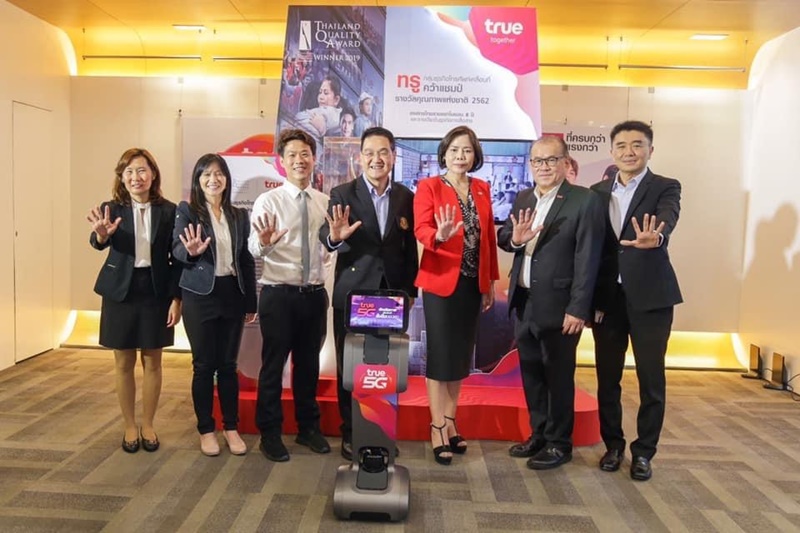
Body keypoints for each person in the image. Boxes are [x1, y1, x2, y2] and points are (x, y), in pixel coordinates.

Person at [498, 136, 605, 470]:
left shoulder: (583, 200)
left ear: (565, 163)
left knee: (558, 377)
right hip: (524, 301)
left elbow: (588, 258)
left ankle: (560, 444)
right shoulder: (524, 197)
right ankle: (539, 434)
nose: (543, 167)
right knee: (531, 374)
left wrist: (578, 308)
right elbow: (506, 237)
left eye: (550, 160)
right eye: (537, 161)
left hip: (561, 306)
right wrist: (516, 240)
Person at [319, 126, 419, 460]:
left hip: (391, 299)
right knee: (351, 367)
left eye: (383, 152)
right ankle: (351, 433)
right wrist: (335, 237)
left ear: (393, 156)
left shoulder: (405, 196)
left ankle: (382, 432)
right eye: (370, 153)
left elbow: (408, 250)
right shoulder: (342, 193)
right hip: (354, 296)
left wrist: (410, 292)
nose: (377, 159)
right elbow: (327, 235)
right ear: (360, 158)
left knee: (386, 367)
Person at [590, 120, 682, 481]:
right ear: (612, 151)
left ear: (650, 150)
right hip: (608, 299)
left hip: (651, 298)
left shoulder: (665, 186)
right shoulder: (597, 192)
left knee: (650, 377)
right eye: (622, 145)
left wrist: (657, 237)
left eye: (637, 145)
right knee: (607, 377)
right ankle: (613, 445)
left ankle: (644, 452)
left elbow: (668, 217)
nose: (629, 152)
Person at [413, 125, 499, 465]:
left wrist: (489, 281)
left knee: (461, 357)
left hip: (472, 284)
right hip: (440, 283)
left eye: (467, 150)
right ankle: (436, 426)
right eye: (454, 150)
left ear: (475, 155)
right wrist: (439, 235)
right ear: (444, 154)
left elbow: (488, 238)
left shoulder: (481, 188)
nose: (461, 156)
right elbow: (421, 228)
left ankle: (450, 421)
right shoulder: (429, 186)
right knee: (440, 356)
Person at [87, 148, 181, 454]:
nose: (135, 177)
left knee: (153, 361)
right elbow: (98, 242)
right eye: (129, 171)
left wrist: (176, 298)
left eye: (141, 170)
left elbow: (176, 259)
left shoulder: (169, 211)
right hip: (121, 291)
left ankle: (148, 424)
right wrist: (102, 236)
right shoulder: (111, 208)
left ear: (153, 175)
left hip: (156, 291)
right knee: (123, 361)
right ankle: (129, 425)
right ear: (122, 177)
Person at [248, 128, 333, 462]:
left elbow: (329, 246)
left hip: (314, 295)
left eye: (305, 154)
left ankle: (307, 428)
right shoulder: (268, 201)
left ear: (314, 158)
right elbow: (254, 248)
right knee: (273, 366)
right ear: (281, 162)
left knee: (308, 366)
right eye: (292, 155)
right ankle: (269, 433)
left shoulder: (324, 202)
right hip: (278, 294)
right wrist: (264, 242)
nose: (300, 160)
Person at [172, 154, 257, 457]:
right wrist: (191, 252)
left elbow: (245, 260)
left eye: (219, 173)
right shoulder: (187, 211)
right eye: (206, 174)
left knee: (228, 366)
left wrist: (250, 301)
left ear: (226, 179)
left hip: (231, 293)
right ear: (198, 180)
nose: (213, 179)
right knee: (204, 365)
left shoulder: (238, 215)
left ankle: (231, 427)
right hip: (199, 296)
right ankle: (206, 429)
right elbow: (177, 249)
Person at [293, 75, 343, 143]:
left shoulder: (332, 114)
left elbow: (299, 117)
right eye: (320, 92)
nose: (321, 97)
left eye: (326, 93)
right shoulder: (321, 111)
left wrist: (322, 130)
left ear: (336, 100)